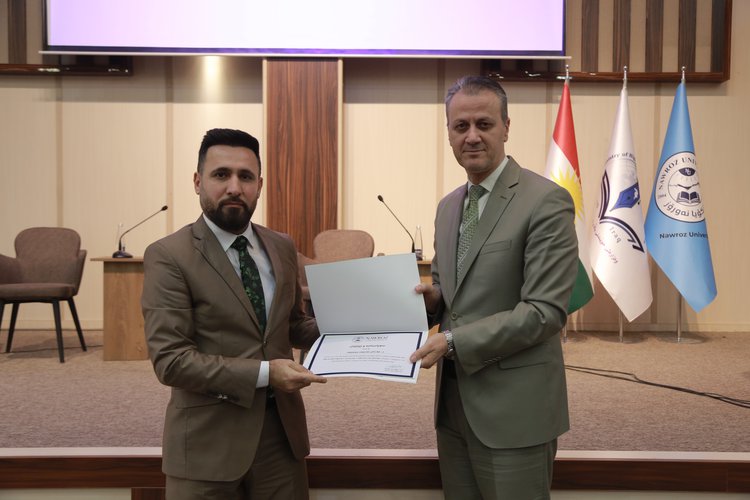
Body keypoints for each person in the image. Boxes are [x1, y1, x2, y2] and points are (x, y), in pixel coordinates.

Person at [409, 76, 578, 499]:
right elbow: (450, 291)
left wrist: (452, 341)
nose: (471, 136)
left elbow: (543, 312)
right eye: (460, 126)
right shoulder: (449, 207)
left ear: (506, 127)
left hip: (515, 411)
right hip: (453, 407)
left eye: (483, 124)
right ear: (449, 132)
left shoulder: (545, 200)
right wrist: (432, 298)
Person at [142, 128, 327, 500]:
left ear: (260, 185)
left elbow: (291, 325)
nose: (234, 187)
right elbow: (171, 361)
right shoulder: (169, 255)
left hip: (281, 439)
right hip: (207, 444)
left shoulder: (281, 246)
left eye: (245, 177)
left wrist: (356, 327)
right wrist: (267, 373)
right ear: (198, 182)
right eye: (221, 174)